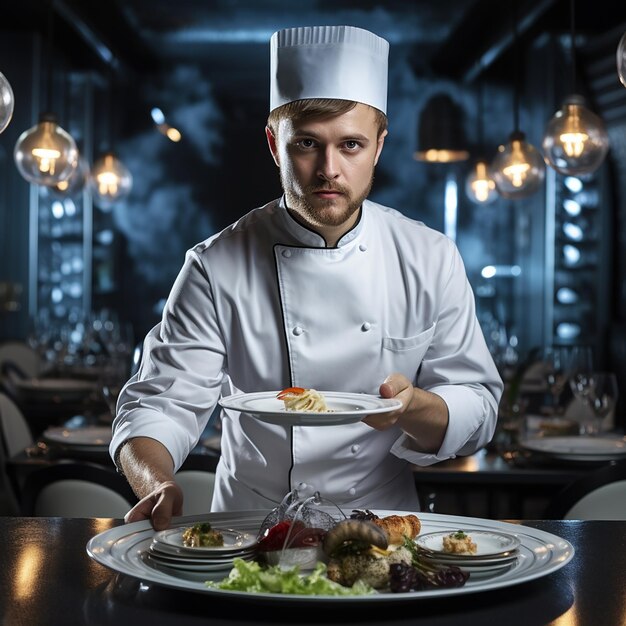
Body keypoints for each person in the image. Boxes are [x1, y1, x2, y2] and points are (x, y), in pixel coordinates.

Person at [110, 25, 503, 530]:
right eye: (308, 144)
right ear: (275, 145)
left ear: (380, 146)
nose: (329, 170)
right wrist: (157, 483)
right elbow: (162, 403)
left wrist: (413, 406)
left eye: (352, 145)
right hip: (248, 529)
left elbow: (478, 404)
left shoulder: (429, 257)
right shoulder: (215, 265)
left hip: (381, 528)